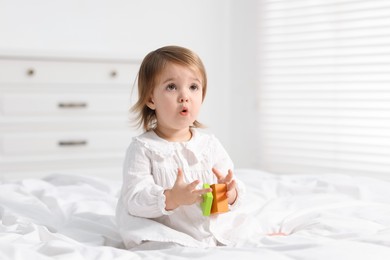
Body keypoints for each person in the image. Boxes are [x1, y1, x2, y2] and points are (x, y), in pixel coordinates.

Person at [116, 45, 246, 249]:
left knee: (243, 229)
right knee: (164, 248)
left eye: (193, 87)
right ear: (151, 99)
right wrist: (171, 197)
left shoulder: (209, 145)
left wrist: (229, 193)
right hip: (165, 232)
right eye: (171, 87)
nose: (184, 96)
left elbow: (231, 183)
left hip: (208, 229)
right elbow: (134, 199)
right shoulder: (143, 148)